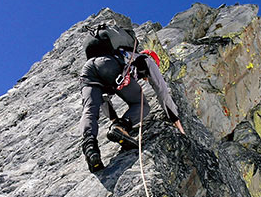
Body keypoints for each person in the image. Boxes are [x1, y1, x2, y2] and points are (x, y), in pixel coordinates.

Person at [79, 30, 185, 172]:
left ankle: (90, 148)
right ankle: (123, 127)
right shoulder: (146, 59)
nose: (146, 79)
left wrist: (114, 120)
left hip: (88, 70)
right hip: (109, 66)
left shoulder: (119, 53)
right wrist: (175, 119)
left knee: (89, 109)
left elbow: (103, 99)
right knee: (141, 105)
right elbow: (162, 90)